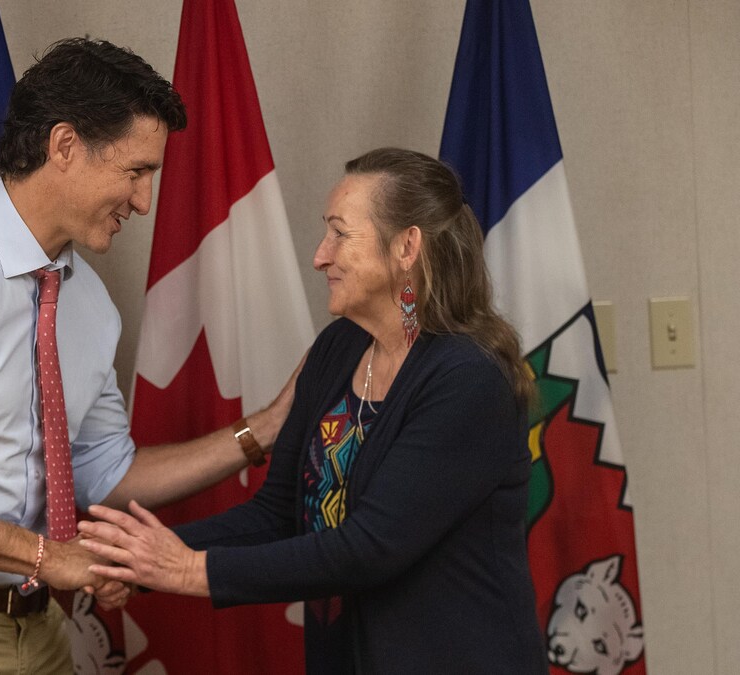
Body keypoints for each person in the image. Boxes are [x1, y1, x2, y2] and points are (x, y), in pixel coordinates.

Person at [0, 37, 295, 675]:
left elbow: (107, 476)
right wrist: (47, 556)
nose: (145, 201)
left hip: (40, 630)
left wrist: (260, 431)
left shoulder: (89, 303)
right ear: (65, 145)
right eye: (136, 171)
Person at [80, 148, 549, 674]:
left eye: (339, 233)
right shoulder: (338, 349)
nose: (319, 256)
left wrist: (188, 570)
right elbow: (279, 517)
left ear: (407, 246)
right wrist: (133, 561)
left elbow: (368, 548)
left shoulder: (467, 379)